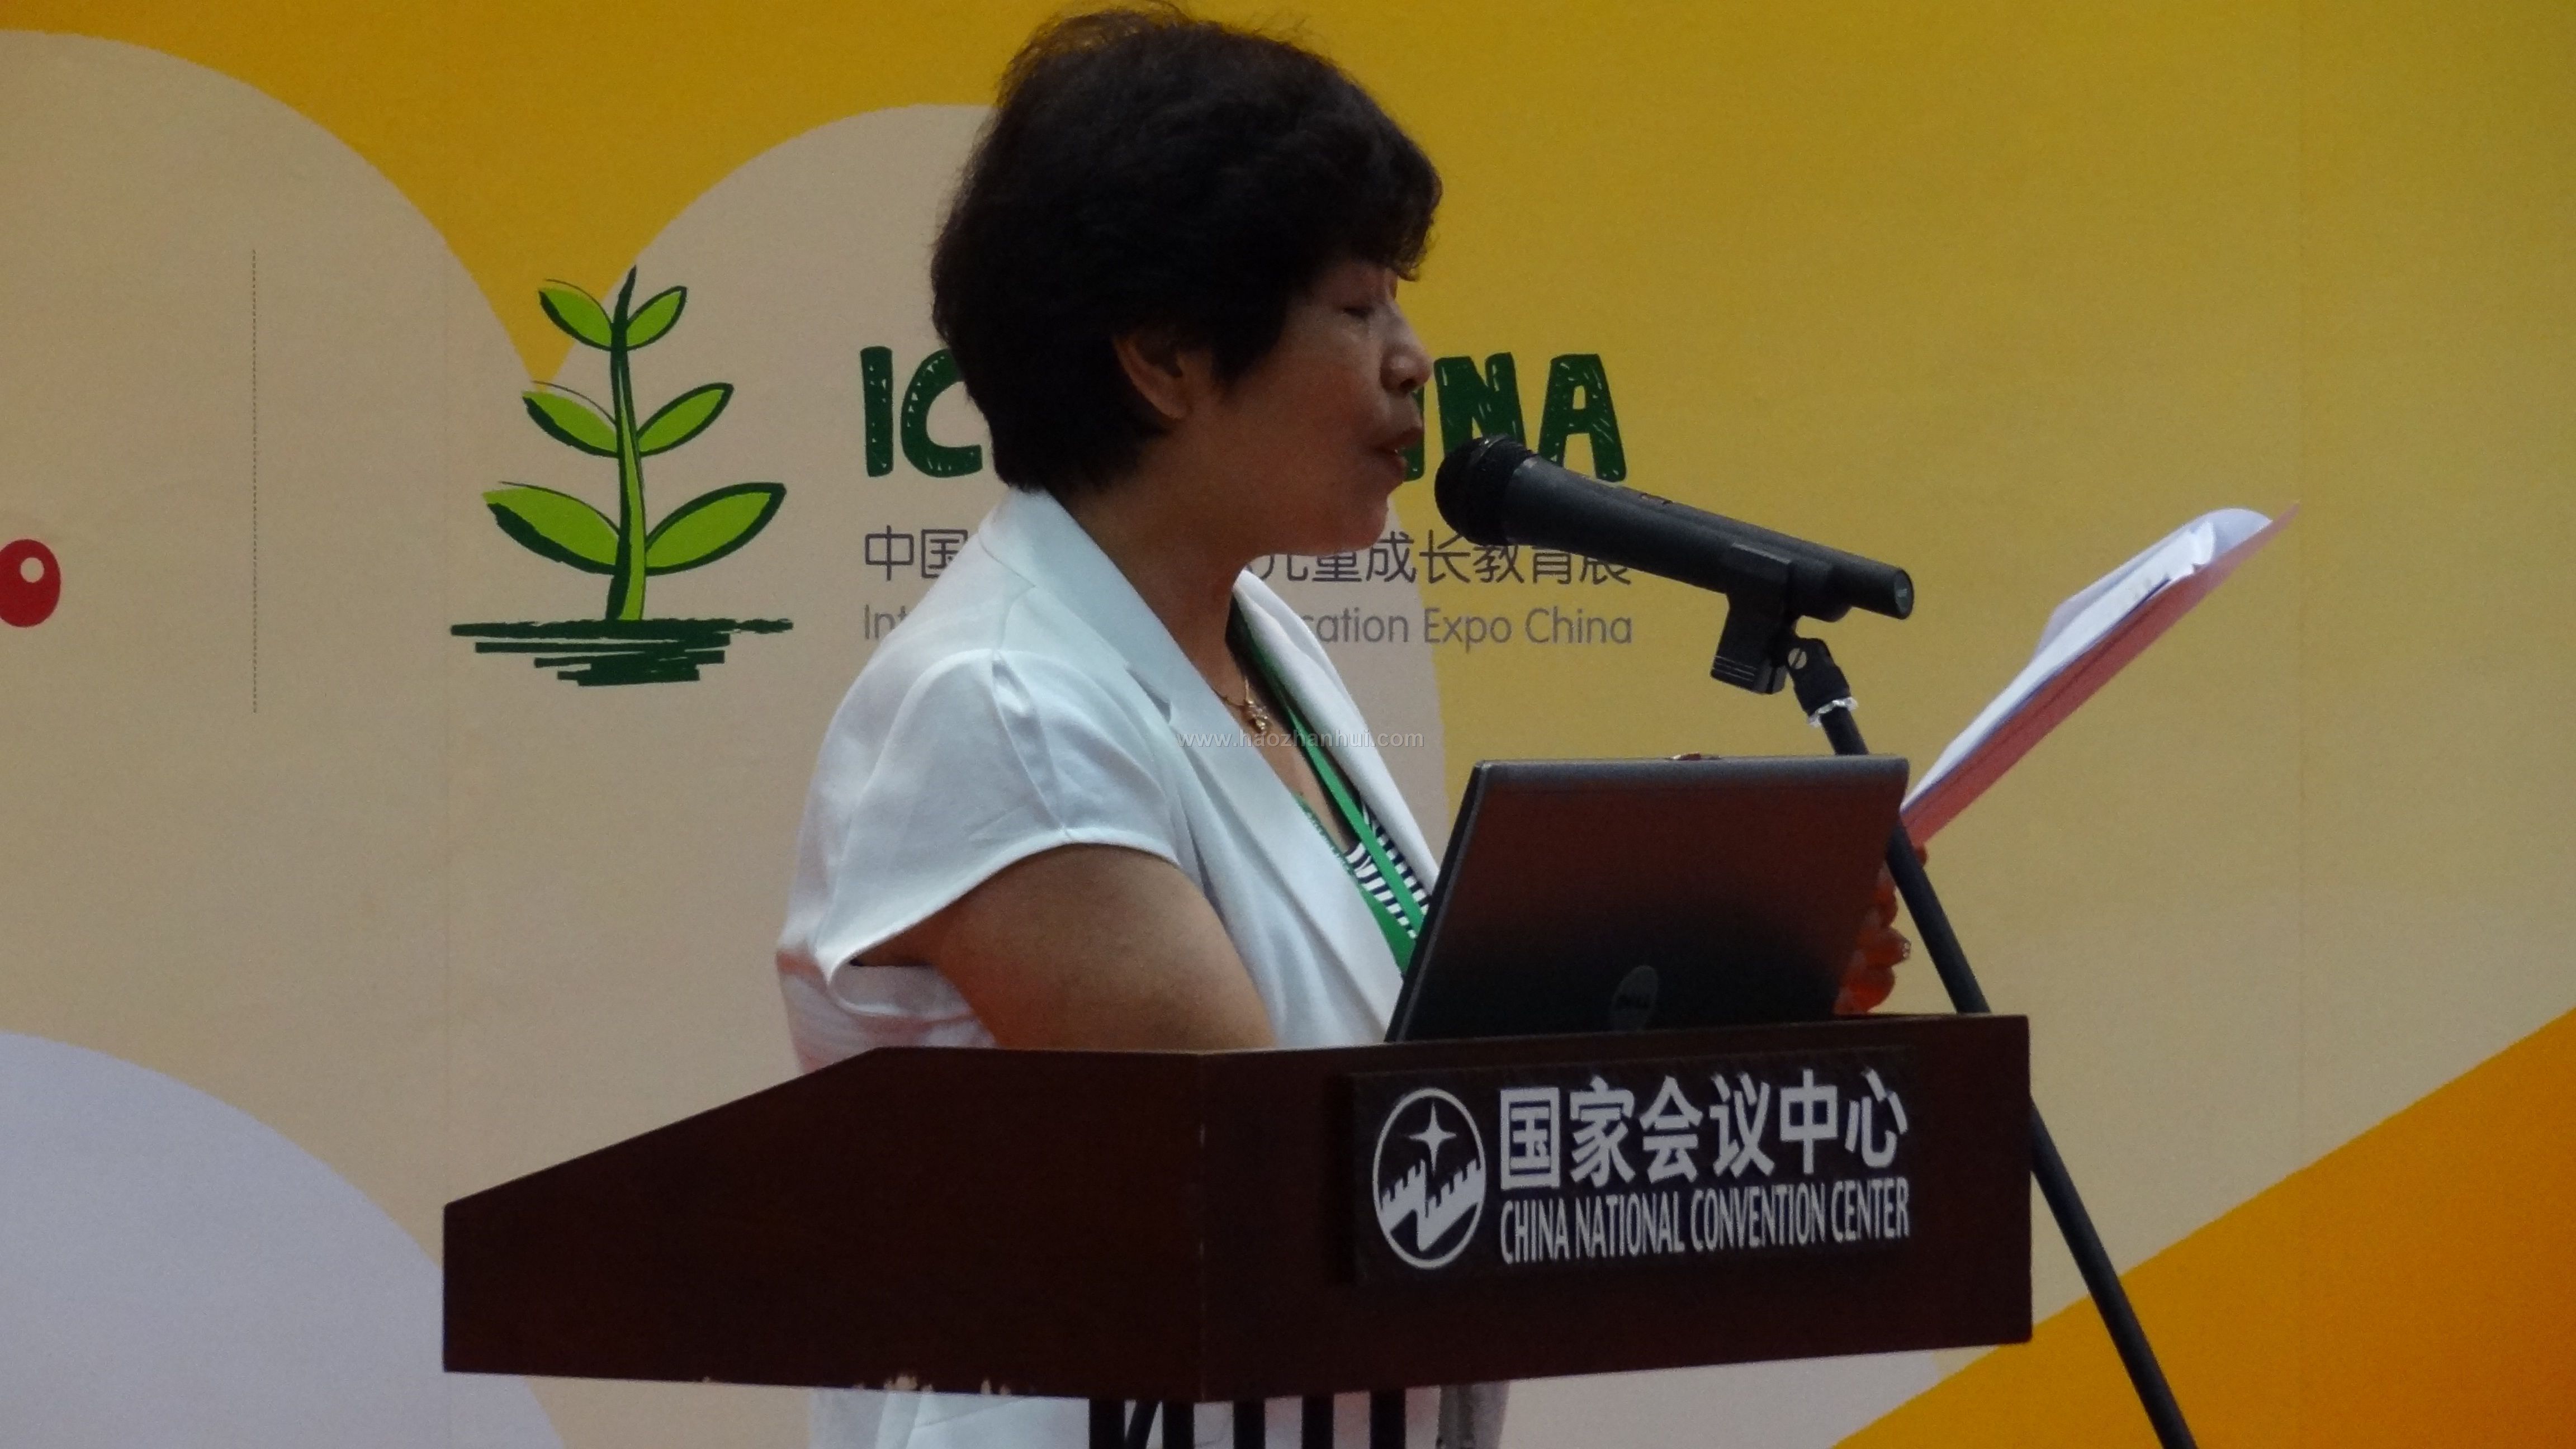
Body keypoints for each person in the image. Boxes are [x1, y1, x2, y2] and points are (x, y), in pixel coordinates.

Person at [775, 9, 1907, 1446]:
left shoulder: (1263, 641)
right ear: (1166, 357)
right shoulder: (1002, 702)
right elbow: (1277, 1182)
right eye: (1359, 307)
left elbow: (1413, 1085)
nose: (1412, 360)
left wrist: (1677, 956)